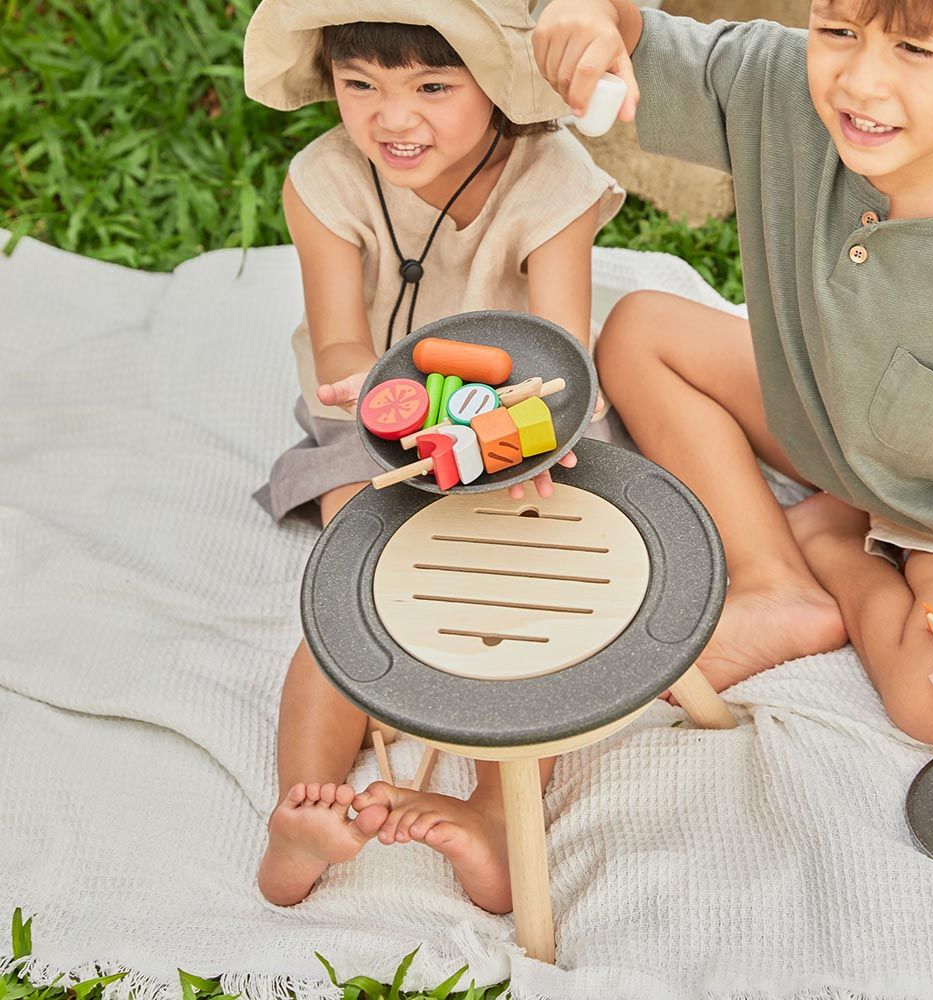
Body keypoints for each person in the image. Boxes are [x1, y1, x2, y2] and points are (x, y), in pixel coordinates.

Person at [533, 0, 933, 747]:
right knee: (638, 330)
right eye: (838, 31)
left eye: (915, 50)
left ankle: (834, 551)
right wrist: (591, 17)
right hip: (821, 424)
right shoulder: (778, 85)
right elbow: (632, 31)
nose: (861, 82)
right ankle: (774, 580)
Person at [243, 0, 623, 908]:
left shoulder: (554, 179)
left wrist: (521, 446)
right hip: (369, 417)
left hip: (525, 417)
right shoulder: (326, 179)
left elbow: (559, 350)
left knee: (528, 604)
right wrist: (364, 399)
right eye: (359, 85)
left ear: (497, 81)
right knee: (357, 590)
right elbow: (340, 344)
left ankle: (495, 808)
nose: (393, 117)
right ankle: (302, 810)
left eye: (433, 85)